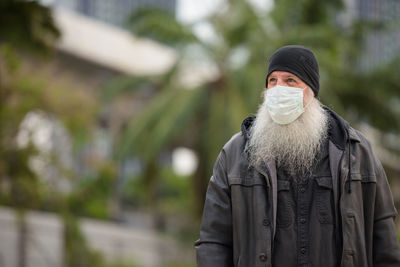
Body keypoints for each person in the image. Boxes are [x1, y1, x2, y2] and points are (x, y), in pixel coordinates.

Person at [194, 45, 400, 267]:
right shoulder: (235, 154)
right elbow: (213, 242)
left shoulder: (357, 152)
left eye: (290, 80)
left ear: (311, 91)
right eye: (272, 81)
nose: (278, 88)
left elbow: (384, 241)